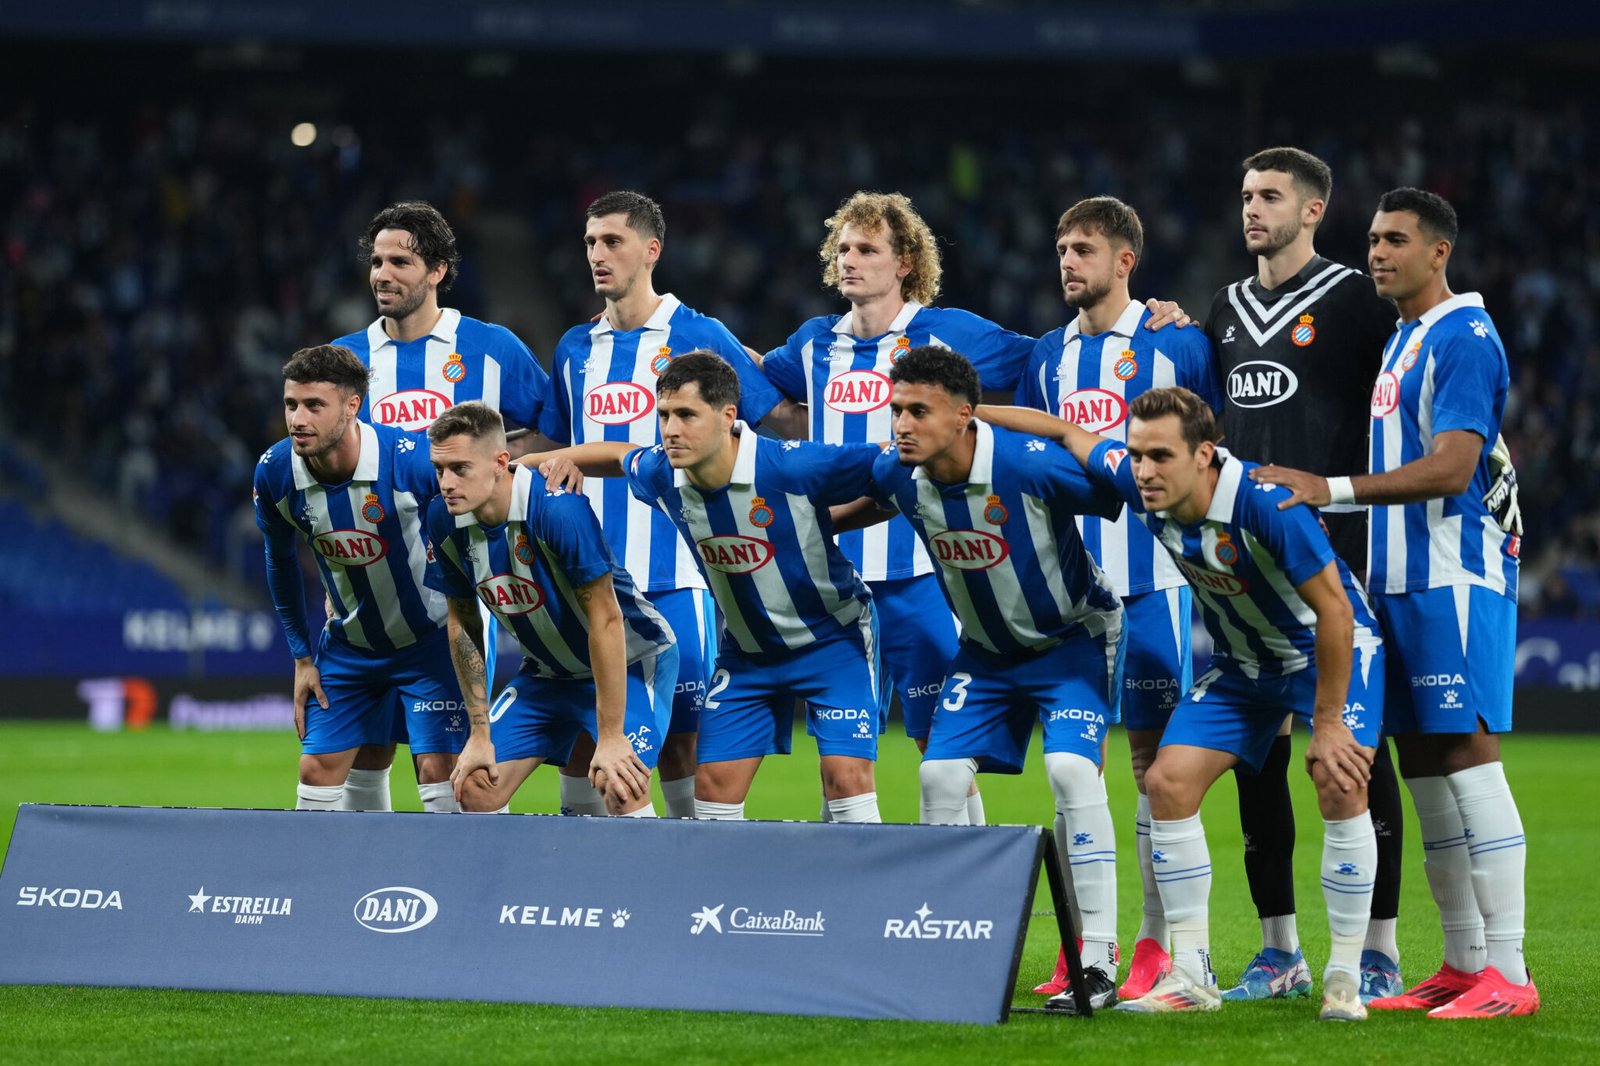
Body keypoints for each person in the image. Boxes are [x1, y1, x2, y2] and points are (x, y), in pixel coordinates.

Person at [982, 386, 1385, 1021]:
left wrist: (1329, 723)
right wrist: (967, 412)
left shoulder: (1266, 503)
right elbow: (1063, 432)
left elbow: (1335, 609)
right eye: (1136, 454)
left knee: (1337, 780)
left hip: (1328, 654)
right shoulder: (1144, 486)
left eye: (1160, 456)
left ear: (1205, 454)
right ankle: (1192, 976)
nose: (1143, 470)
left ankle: (1344, 978)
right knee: (1168, 783)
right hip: (1242, 667)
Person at [1253, 188, 1537, 1018]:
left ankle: (1511, 975)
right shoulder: (1405, 339)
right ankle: (1460, 960)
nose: (1377, 252)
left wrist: (1327, 486)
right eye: (1373, 239)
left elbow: (1453, 467)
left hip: (1452, 578)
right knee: (1424, 774)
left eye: (1396, 241)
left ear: (1438, 252)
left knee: (1469, 762)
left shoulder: (1463, 336)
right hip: (1398, 583)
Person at [845, 346, 1128, 1014]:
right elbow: (867, 498)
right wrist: (821, 528)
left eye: (918, 410)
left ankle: (1098, 960)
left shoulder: (1028, 465)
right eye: (896, 409)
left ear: (964, 417)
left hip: (1072, 640)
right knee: (938, 777)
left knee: (1069, 772)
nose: (901, 424)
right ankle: (950, 946)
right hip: (986, 654)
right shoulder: (899, 473)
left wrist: (1066, 431)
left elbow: (1120, 492)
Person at [1203, 147, 1407, 1002]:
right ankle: (1278, 948)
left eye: (1271, 196)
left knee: (1360, 749)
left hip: (1339, 554)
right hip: (1244, 562)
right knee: (1258, 754)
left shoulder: (1358, 301)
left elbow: (1401, 390)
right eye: (1246, 194)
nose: (1253, 208)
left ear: (1314, 209)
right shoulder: (1222, 308)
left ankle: (1380, 949)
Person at [535, 351, 887, 824]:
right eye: (663, 416)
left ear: (727, 417)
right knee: (713, 794)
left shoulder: (792, 467)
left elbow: (894, 470)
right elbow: (619, 455)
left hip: (833, 641)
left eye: (685, 415)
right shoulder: (664, 473)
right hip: (746, 653)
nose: (670, 429)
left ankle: (859, 894)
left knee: (845, 780)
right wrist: (534, 463)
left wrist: (832, 522)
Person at [1016, 196, 1221, 1001]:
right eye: (1061, 248)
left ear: (1125, 261)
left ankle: (1152, 941)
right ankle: (1083, 942)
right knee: (1072, 768)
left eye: (1084, 250)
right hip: (1071, 594)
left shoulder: (1177, 342)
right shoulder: (1045, 355)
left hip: (1153, 582)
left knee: (1149, 765)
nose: (1068, 261)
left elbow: (1219, 442)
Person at [540, 191, 801, 819]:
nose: (597, 255)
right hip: (590, 578)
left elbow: (772, 425)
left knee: (682, 746)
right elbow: (558, 451)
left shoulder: (701, 334)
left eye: (612, 242)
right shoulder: (574, 348)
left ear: (651, 250)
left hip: (678, 577)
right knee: (584, 742)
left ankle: (682, 893)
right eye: (589, 243)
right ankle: (582, 894)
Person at [332, 200, 555, 809]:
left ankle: (460, 895)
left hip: (459, 589)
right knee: (364, 752)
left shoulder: (491, 348)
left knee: (446, 765)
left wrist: (497, 471)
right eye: (376, 261)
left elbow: (552, 433)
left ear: (437, 270)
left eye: (400, 261)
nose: (382, 273)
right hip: (372, 587)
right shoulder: (346, 360)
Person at [424, 402, 677, 816]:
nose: (447, 483)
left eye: (460, 468)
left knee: (622, 783)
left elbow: (606, 618)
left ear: (501, 462)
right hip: (547, 675)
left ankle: (646, 880)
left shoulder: (558, 509)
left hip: (631, 661)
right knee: (474, 787)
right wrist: (479, 731)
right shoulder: (443, 517)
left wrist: (611, 735)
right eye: (439, 469)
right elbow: (463, 622)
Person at [252, 344, 466, 814]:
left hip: (428, 643)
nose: (298, 419)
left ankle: (454, 886)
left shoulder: (409, 463)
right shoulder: (275, 473)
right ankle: (330, 885)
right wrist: (301, 658)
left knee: (440, 773)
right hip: (349, 646)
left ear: (352, 406)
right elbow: (280, 560)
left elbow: (464, 538)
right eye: (291, 404)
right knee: (317, 770)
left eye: (314, 405)